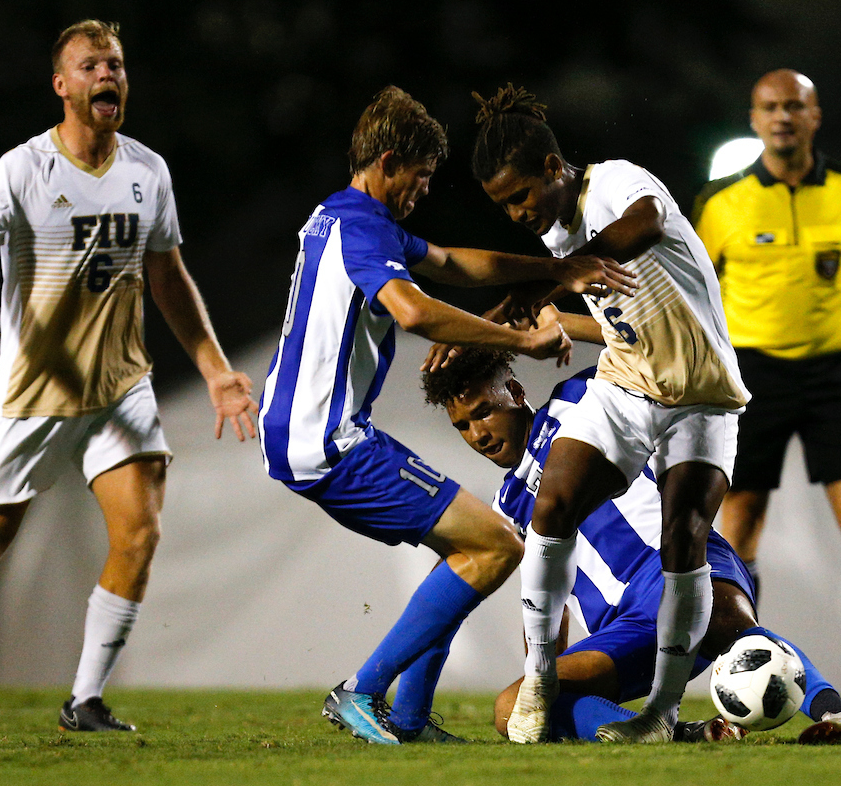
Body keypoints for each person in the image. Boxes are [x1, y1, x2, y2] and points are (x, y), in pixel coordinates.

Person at [0, 20, 257, 734]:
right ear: (62, 86)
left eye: (115, 65)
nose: (107, 75)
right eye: (91, 66)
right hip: (33, 395)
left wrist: (213, 370)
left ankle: (84, 698)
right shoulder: (23, 168)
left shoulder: (148, 170)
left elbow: (169, 278)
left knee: (140, 536)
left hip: (120, 390)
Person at [258, 86, 635, 745]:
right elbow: (413, 310)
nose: (424, 191)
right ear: (386, 162)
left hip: (312, 430)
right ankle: (362, 691)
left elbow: (457, 264)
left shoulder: (344, 217)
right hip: (328, 438)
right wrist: (519, 340)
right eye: (420, 177)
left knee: (463, 547)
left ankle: (408, 718)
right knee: (498, 546)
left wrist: (556, 269)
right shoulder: (362, 224)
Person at [444, 84, 747, 743]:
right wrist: (491, 322)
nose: (517, 212)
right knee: (551, 504)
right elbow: (579, 301)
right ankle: (549, 682)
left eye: (521, 195)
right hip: (630, 383)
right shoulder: (556, 235)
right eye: (503, 205)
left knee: (684, 544)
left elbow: (643, 226)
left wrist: (555, 279)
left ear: (554, 169)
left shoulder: (613, 184)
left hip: (701, 388)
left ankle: (668, 711)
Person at [422, 340, 841, 745]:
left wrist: (531, 328)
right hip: (624, 629)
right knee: (511, 708)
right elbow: (548, 601)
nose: (478, 434)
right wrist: (540, 678)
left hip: (675, 560)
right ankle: (680, 733)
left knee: (727, 625)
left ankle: (838, 713)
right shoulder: (506, 507)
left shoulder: (581, 395)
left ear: (516, 393)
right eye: (463, 425)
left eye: (484, 411)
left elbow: (646, 347)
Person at [691, 69, 841, 711]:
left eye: (794, 105)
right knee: (739, 525)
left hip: (833, 375)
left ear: (815, 115)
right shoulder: (720, 202)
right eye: (770, 107)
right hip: (751, 377)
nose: (782, 117)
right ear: (754, 119)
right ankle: (737, 668)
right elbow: (695, 295)